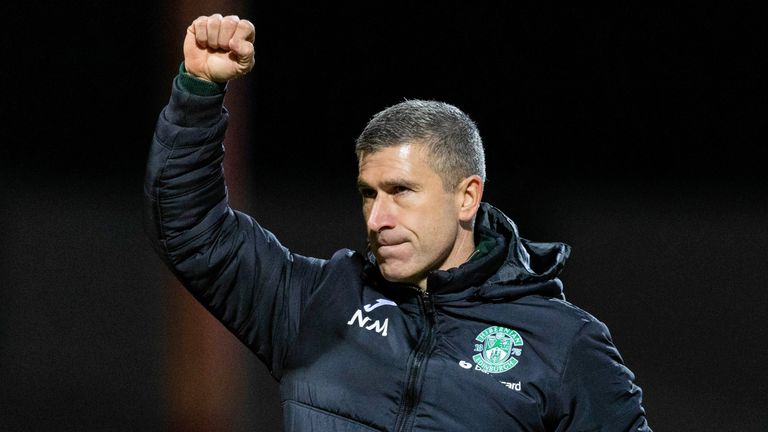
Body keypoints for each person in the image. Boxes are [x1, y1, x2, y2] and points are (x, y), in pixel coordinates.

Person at [144, 13, 651, 431]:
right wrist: (199, 90)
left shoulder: (563, 344)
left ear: (467, 197)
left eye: (402, 192)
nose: (378, 217)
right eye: (369, 194)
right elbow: (191, 232)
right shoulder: (320, 302)